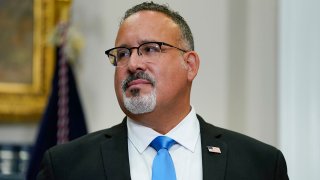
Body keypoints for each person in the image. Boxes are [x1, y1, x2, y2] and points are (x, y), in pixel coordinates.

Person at [37, 2, 289, 180]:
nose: (133, 64)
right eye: (123, 54)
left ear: (190, 65)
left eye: (150, 49)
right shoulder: (66, 166)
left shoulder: (261, 165)